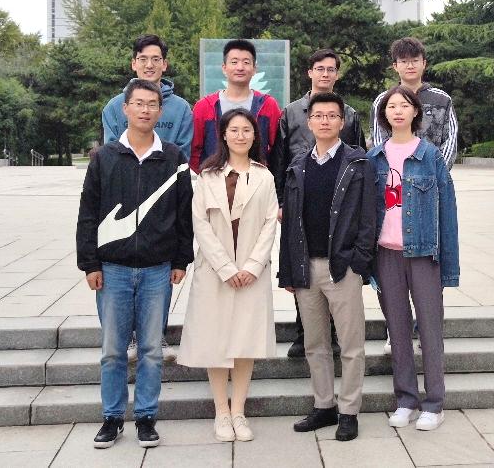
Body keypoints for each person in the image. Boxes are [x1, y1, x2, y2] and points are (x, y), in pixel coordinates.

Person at [76, 79, 194, 450]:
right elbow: (88, 213)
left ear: (160, 111)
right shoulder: (105, 157)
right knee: (113, 350)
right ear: (125, 108)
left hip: (158, 269)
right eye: (138, 103)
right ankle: (112, 418)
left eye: (152, 104)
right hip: (112, 269)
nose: (145, 110)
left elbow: (184, 213)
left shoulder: (173, 158)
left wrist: (181, 258)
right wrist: (89, 263)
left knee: (151, 350)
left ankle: (145, 417)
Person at [279, 91, 379, 442]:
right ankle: (324, 406)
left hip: (342, 267)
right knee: (315, 344)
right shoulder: (297, 165)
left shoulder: (358, 163)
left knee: (351, 345)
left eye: (331, 115)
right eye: (318, 116)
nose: (325, 121)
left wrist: (359, 262)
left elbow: (369, 217)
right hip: (306, 268)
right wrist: (288, 269)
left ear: (342, 121)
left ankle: (349, 411)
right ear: (309, 122)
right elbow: (290, 222)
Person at [178, 109, 278, 443]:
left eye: (246, 130)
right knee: (216, 341)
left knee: (245, 342)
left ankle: (239, 411)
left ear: (255, 135)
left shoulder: (264, 176)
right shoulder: (207, 176)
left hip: (251, 273)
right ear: (223, 134)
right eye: (234, 130)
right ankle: (221, 411)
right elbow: (200, 224)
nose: (240, 135)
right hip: (215, 273)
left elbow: (269, 224)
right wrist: (225, 267)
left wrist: (252, 266)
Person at [368, 85, 459, 432]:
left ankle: (434, 403)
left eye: (404, 105)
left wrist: (448, 266)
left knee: (430, 328)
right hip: (386, 254)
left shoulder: (431, 156)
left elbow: (447, 213)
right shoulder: (374, 157)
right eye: (391, 106)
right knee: (398, 328)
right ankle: (406, 399)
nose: (398, 111)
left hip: (423, 253)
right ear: (384, 115)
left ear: (415, 112)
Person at [100, 33, 193, 364]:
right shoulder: (114, 106)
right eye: (143, 59)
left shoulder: (181, 108)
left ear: (165, 64)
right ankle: (125, 337)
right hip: (124, 199)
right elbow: (112, 153)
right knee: (123, 267)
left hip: (165, 198)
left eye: (156, 59)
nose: (149, 64)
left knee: (160, 266)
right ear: (133, 63)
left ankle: (156, 334)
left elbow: (182, 152)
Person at [270, 49, 365, 358]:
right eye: (320, 69)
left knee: (334, 267)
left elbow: (360, 159)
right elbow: (279, 160)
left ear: (337, 74)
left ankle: (334, 333)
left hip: (339, 203)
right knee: (302, 265)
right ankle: (304, 333)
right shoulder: (290, 113)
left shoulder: (348, 114)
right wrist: (281, 201)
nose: (325, 74)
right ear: (309, 72)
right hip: (300, 201)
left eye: (331, 69)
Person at [190, 39, 282, 172]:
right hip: (213, 179)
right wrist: (204, 178)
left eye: (246, 62)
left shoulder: (268, 105)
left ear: (254, 69)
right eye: (234, 62)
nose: (240, 67)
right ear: (224, 68)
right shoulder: (204, 106)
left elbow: (277, 150)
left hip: (256, 180)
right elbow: (194, 151)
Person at [370, 37, 458, 169]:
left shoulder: (442, 99)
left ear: (424, 63)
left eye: (415, 61)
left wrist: (437, 172)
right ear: (395, 66)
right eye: (404, 61)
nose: (410, 66)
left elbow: (450, 140)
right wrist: (393, 172)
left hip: (433, 175)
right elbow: (378, 141)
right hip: (393, 176)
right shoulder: (383, 100)